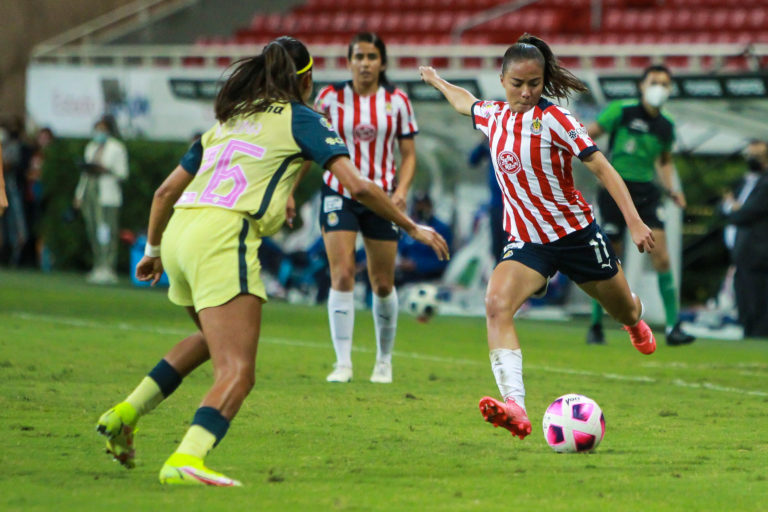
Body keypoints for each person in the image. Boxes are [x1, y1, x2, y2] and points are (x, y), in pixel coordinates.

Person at [95, 36, 448, 487]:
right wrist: (412, 226)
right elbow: (357, 186)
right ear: (306, 78)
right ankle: (187, 457)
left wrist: (153, 251)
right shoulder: (301, 117)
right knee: (238, 372)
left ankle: (125, 413)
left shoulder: (231, 118)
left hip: (180, 232)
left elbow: (165, 191)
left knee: (211, 341)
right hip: (223, 235)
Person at [419, 33, 656, 440]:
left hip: (576, 236)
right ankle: (515, 405)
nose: (526, 92)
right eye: (517, 84)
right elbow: (464, 102)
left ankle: (634, 320)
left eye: (534, 83)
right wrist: (438, 81)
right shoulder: (492, 115)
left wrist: (633, 221)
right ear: (502, 80)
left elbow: (602, 167)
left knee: (623, 310)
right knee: (496, 304)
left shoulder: (557, 120)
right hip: (528, 243)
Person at [313, 32, 419, 384]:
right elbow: (309, 147)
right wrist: (288, 193)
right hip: (338, 192)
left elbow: (408, 156)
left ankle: (384, 361)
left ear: (382, 63)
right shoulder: (329, 97)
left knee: (383, 283)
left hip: (381, 197)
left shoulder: (397, 101)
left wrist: (401, 190)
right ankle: (342, 363)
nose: (365, 63)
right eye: (358, 56)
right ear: (349, 62)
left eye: (372, 57)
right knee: (342, 273)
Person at [585, 65, 694, 347]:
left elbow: (665, 160)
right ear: (642, 86)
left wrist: (672, 189)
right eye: (655, 82)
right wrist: (592, 163)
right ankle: (596, 324)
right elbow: (587, 134)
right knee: (609, 258)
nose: (660, 88)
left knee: (662, 256)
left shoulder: (666, 125)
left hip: (646, 193)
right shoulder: (622, 110)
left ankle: (673, 326)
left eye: (665, 84)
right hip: (614, 189)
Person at [73, 115, 129, 284]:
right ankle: (98, 265)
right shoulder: (91, 147)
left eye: (102, 129)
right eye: (97, 129)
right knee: (93, 229)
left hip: (107, 192)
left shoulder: (117, 148)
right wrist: (79, 194)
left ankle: (108, 267)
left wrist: (105, 169)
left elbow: (123, 173)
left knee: (107, 230)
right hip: (90, 190)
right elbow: (85, 174)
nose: (99, 133)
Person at [726, 140, 768, 337]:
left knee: (757, 297)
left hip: (759, 252)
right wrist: (732, 208)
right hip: (741, 252)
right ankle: (748, 332)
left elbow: (747, 213)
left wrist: (734, 209)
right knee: (743, 295)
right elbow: (723, 207)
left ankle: (758, 335)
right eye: (749, 155)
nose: (752, 159)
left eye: (757, 155)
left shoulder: (765, 184)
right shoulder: (743, 182)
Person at [396, 192, 453, 285]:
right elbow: (401, 249)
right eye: (418, 205)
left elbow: (443, 260)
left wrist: (416, 265)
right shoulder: (409, 227)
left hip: (429, 277)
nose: (421, 209)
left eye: (424, 205)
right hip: (406, 275)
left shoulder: (441, 229)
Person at [469, 139, 506, 261]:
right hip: (496, 204)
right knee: (497, 248)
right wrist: (483, 140)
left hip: (514, 205)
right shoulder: (493, 140)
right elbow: (473, 160)